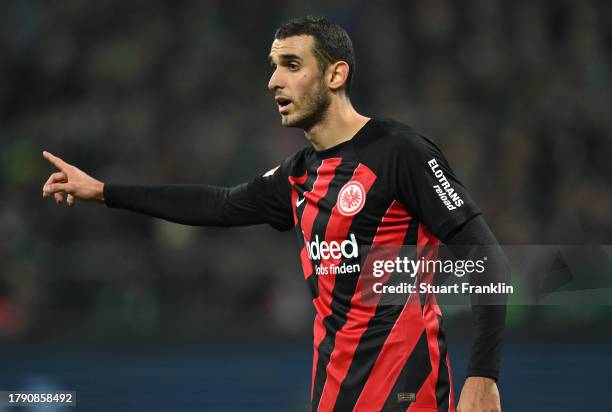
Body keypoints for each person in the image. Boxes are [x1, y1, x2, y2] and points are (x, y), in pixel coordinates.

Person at [42, 16, 508, 412]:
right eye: (273, 67)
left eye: (291, 65)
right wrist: (104, 191)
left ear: (335, 74)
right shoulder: (297, 175)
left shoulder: (400, 152)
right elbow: (219, 204)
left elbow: (486, 257)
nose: (273, 81)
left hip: (411, 398)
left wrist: (482, 376)